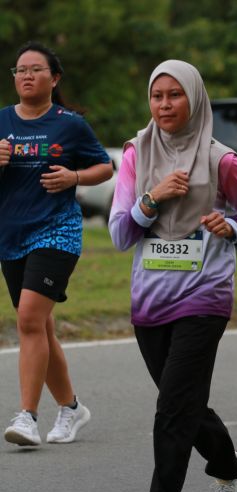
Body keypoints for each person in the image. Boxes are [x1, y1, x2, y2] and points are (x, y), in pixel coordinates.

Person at [109, 59, 237, 492]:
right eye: (157, 96)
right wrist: (151, 199)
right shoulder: (135, 154)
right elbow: (120, 234)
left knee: (172, 408)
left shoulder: (222, 160)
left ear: (195, 99)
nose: (164, 105)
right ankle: (228, 465)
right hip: (150, 300)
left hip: (205, 296)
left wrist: (232, 225)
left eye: (175, 95)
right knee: (183, 403)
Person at [0, 41, 113, 447]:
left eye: (36, 69)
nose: (27, 76)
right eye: (20, 70)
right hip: (11, 235)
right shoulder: (1, 121)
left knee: (30, 319)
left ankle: (27, 417)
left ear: (54, 78)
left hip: (57, 231)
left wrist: (74, 177)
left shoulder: (70, 124)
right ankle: (71, 407)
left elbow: (105, 166)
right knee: (41, 328)